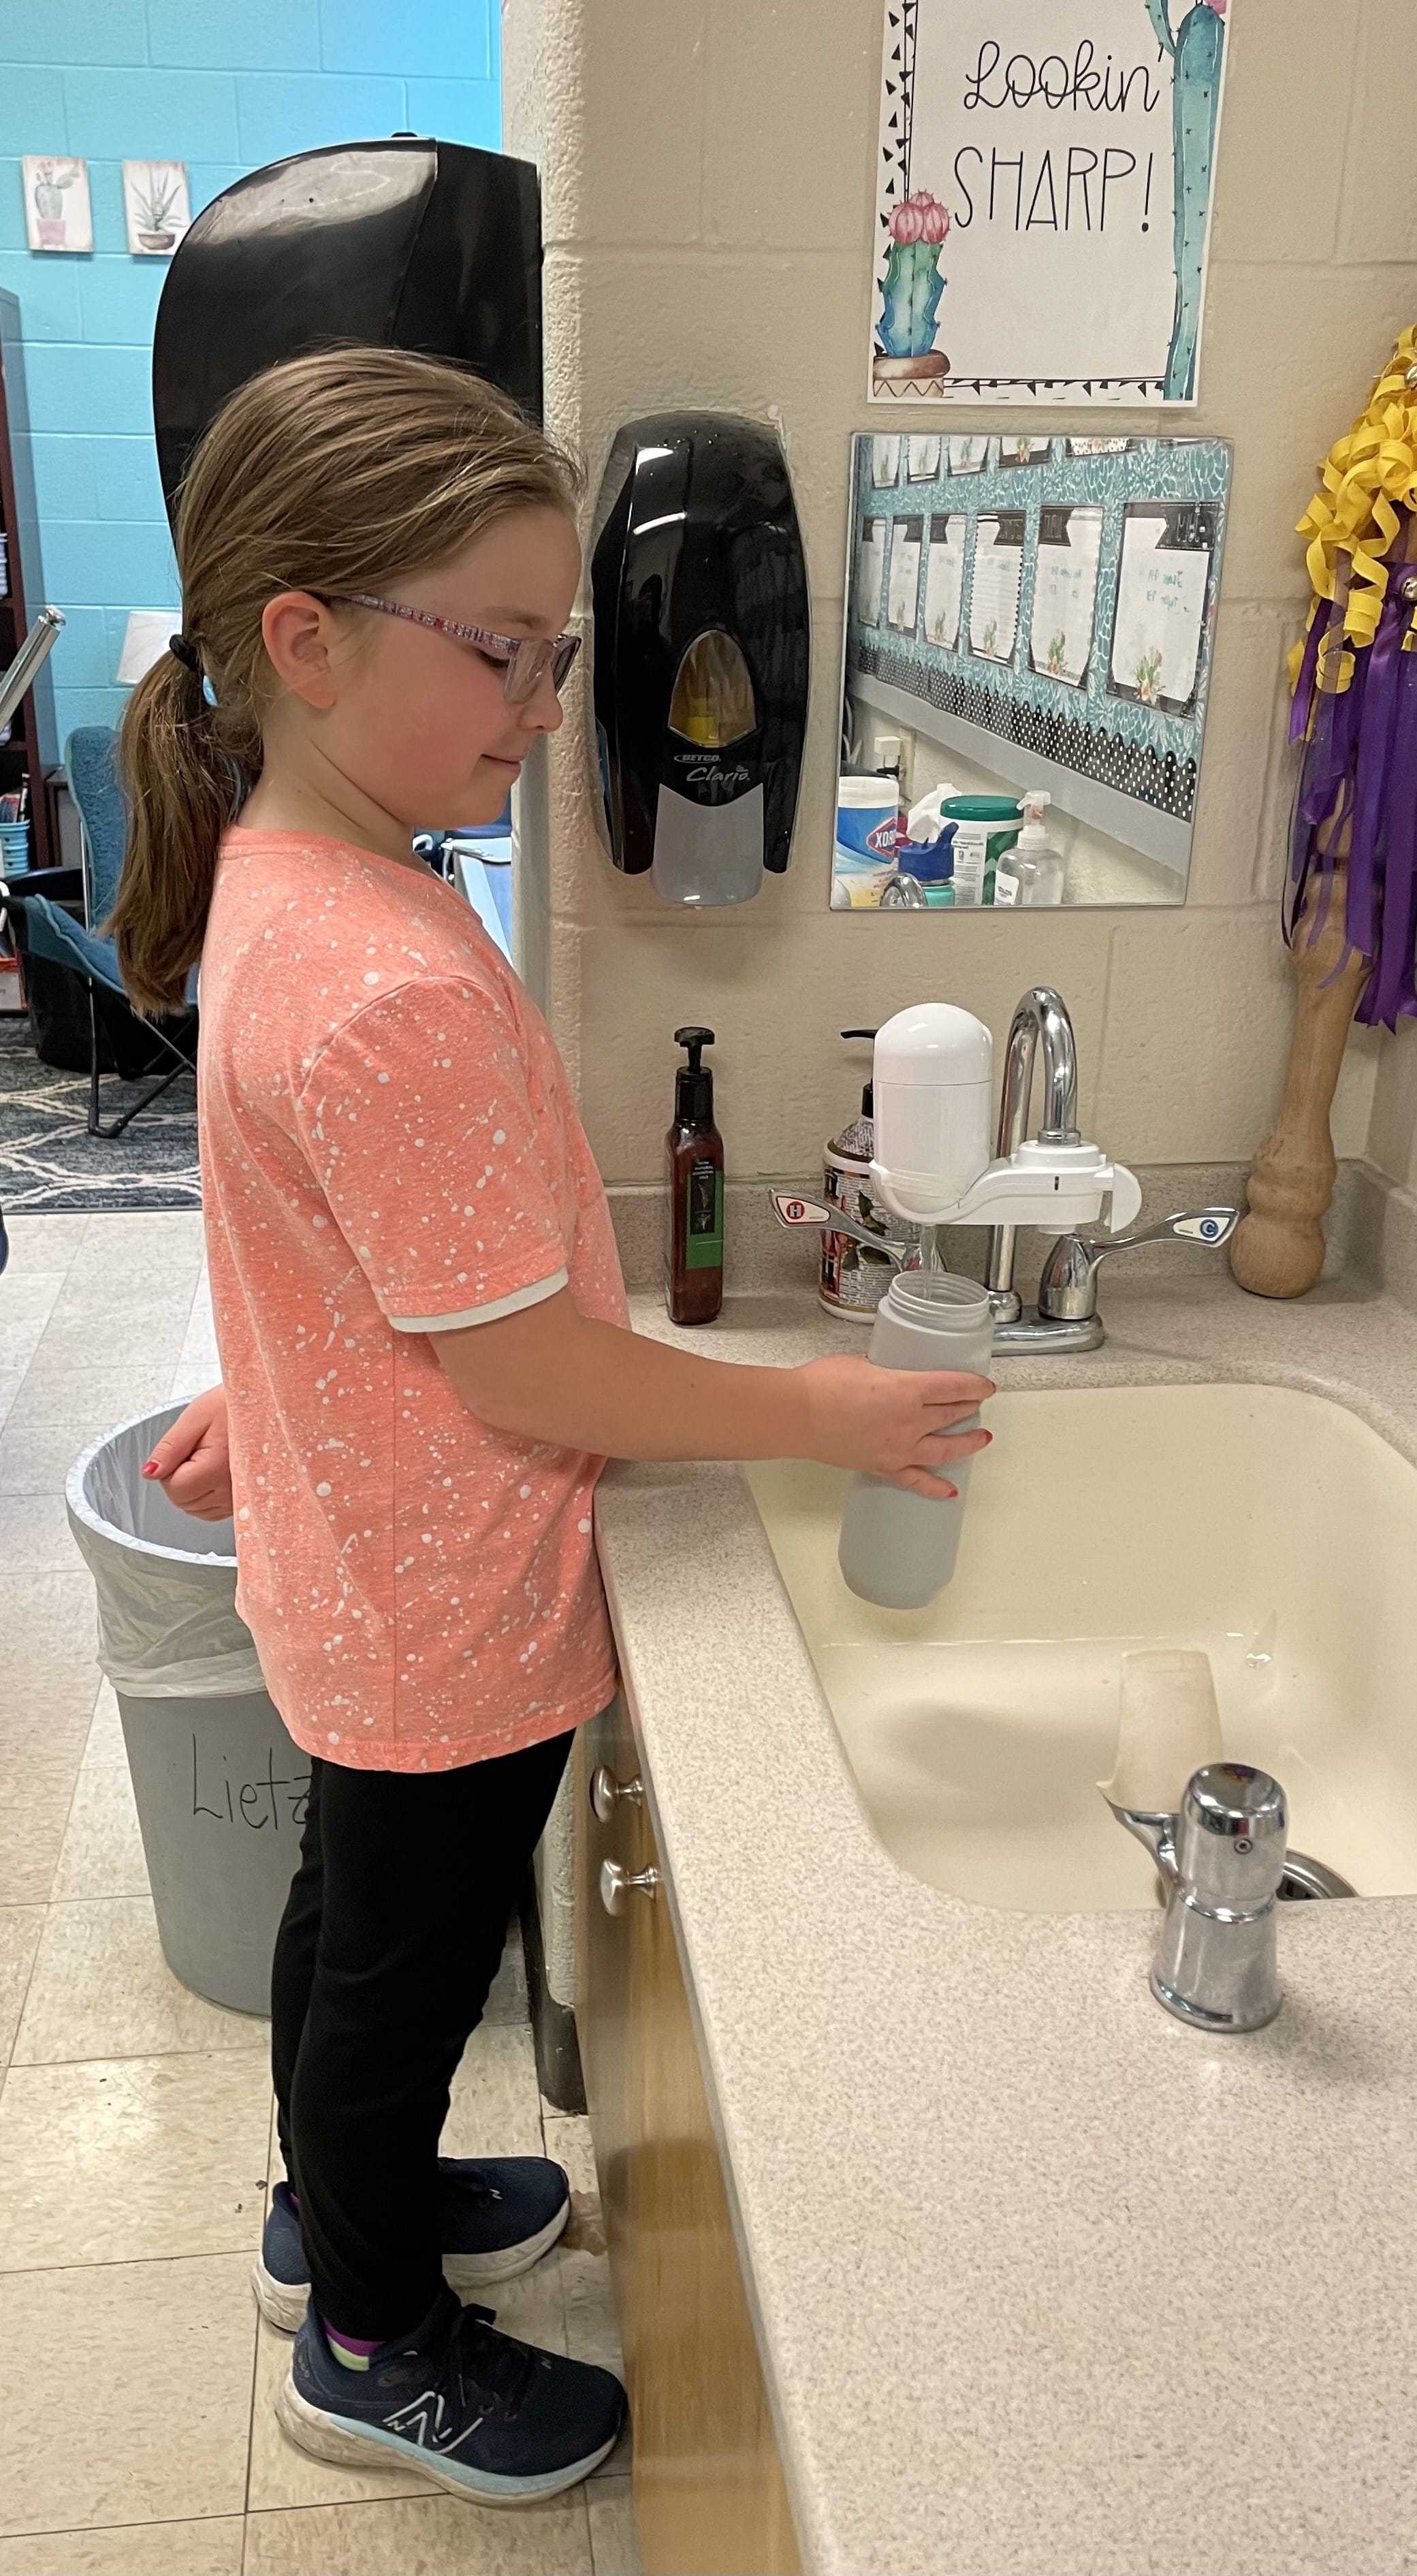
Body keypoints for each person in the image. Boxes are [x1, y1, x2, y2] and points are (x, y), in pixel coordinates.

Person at [116, 346, 993, 2508]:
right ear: (304, 644)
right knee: (396, 1973)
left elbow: (319, 1222)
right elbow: (530, 1370)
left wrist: (270, 1367)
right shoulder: (393, 968)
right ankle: (371, 2335)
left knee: (354, 1929)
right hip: (441, 1601)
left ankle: (346, 2204)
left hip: (356, 1553)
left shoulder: (303, 880)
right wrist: (822, 1409)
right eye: (502, 653)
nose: (538, 704)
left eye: (553, 651)